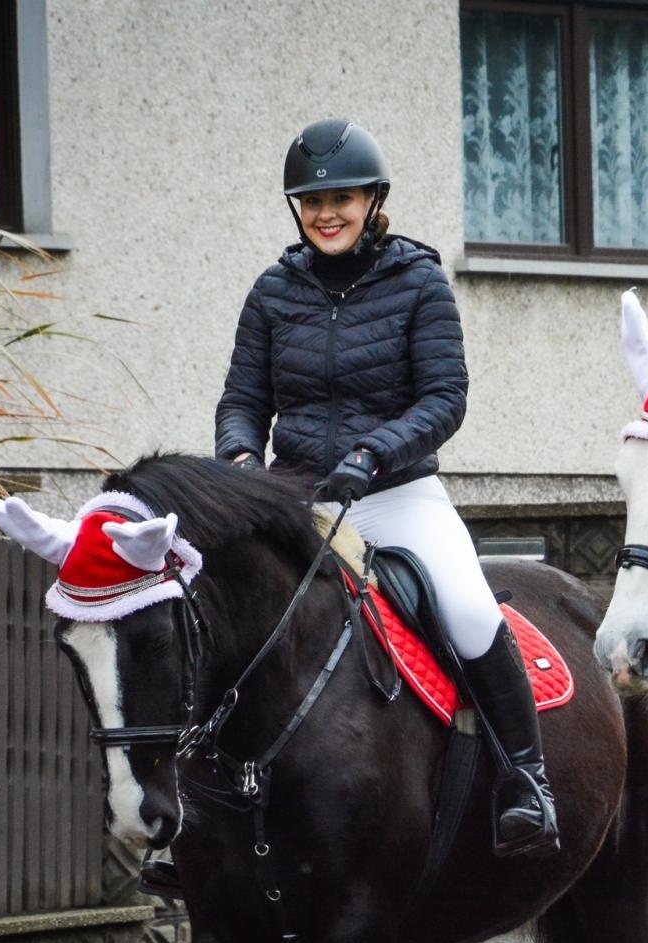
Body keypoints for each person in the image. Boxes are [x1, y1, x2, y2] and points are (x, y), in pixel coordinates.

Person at [213, 119, 559, 862]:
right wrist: (240, 456)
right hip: (298, 500)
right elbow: (242, 397)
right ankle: (197, 805)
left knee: (468, 611)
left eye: (341, 198)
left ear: (373, 201)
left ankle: (526, 781)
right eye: (310, 201)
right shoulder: (273, 292)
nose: (325, 213)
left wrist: (374, 454)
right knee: (217, 607)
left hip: (397, 495)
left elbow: (445, 397)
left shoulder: (418, 281)